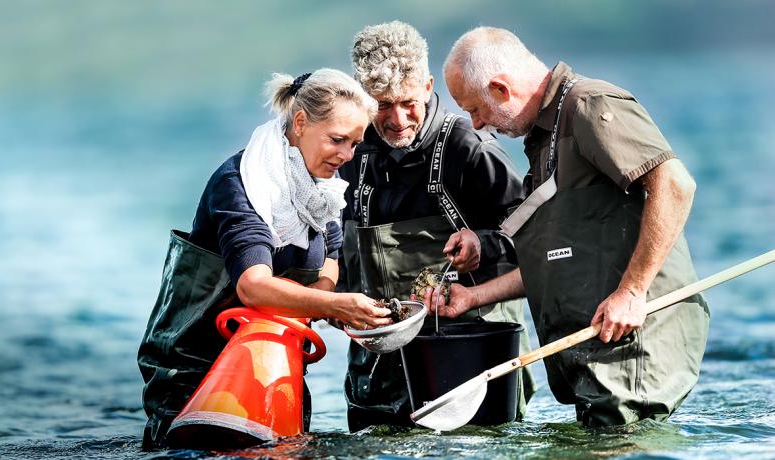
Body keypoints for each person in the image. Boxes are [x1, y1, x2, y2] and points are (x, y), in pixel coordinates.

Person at [431, 26, 710, 427]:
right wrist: (475, 298)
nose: (475, 125)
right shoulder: (543, 138)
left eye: (475, 108)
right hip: (596, 352)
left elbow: (676, 183)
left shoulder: (588, 105)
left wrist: (632, 292)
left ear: (500, 89)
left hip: (633, 345)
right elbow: (555, 260)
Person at [137, 68, 392, 448]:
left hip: (275, 363)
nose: (347, 155)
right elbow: (252, 285)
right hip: (194, 371)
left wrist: (318, 304)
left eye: (355, 144)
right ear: (301, 122)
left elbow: (330, 260)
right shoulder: (241, 183)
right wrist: (336, 305)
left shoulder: (324, 189)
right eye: (338, 140)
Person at [338, 21, 535, 432]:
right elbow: (334, 247)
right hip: (377, 368)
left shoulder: (470, 148)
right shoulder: (350, 152)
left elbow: (536, 240)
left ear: (428, 87)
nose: (397, 119)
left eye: (408, 101)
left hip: (470, 356)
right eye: (382, 105)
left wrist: (484, 244)